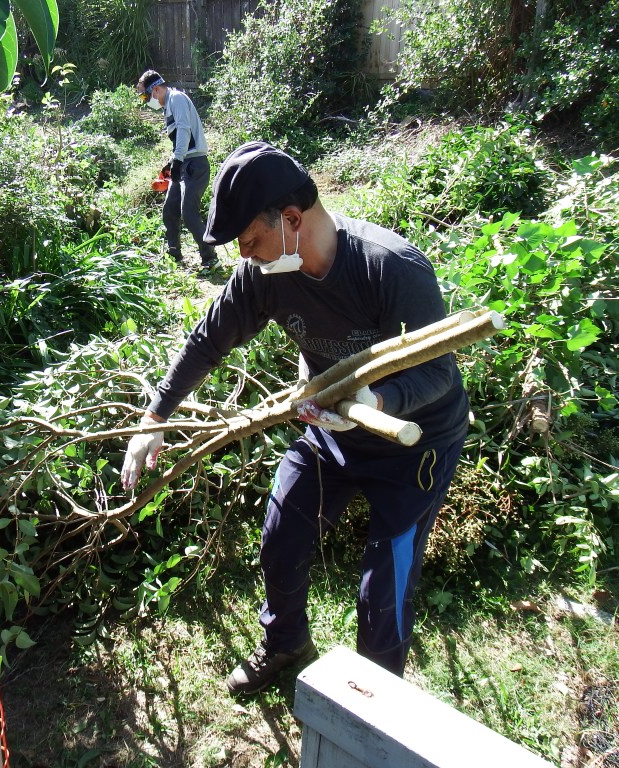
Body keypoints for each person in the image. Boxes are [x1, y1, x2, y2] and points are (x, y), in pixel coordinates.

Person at [120, 141, 470, 695]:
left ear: (290, 219)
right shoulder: (265, 271)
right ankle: (286, 643)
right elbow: (210, 340)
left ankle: (376, 704)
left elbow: (437, 374)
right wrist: (154, 417)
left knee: (384, 589)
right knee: (282, 534)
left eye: (249, 239)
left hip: (415, 444)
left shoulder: (389, 267)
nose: (244, 255)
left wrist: (375, 404)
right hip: (332, 430)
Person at [137, 69, 219, 271]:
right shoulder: (168, 106)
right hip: (183, 163)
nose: (145, 101)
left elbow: (184, 129)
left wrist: (178, 159)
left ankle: (210, 258)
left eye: (145, 96)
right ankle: (174, 255)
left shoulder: (177, 99)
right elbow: (179, 141)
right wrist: (172, 162)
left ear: (156, 89)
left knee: (188, 213)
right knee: (169, 210)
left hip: (194, 164)